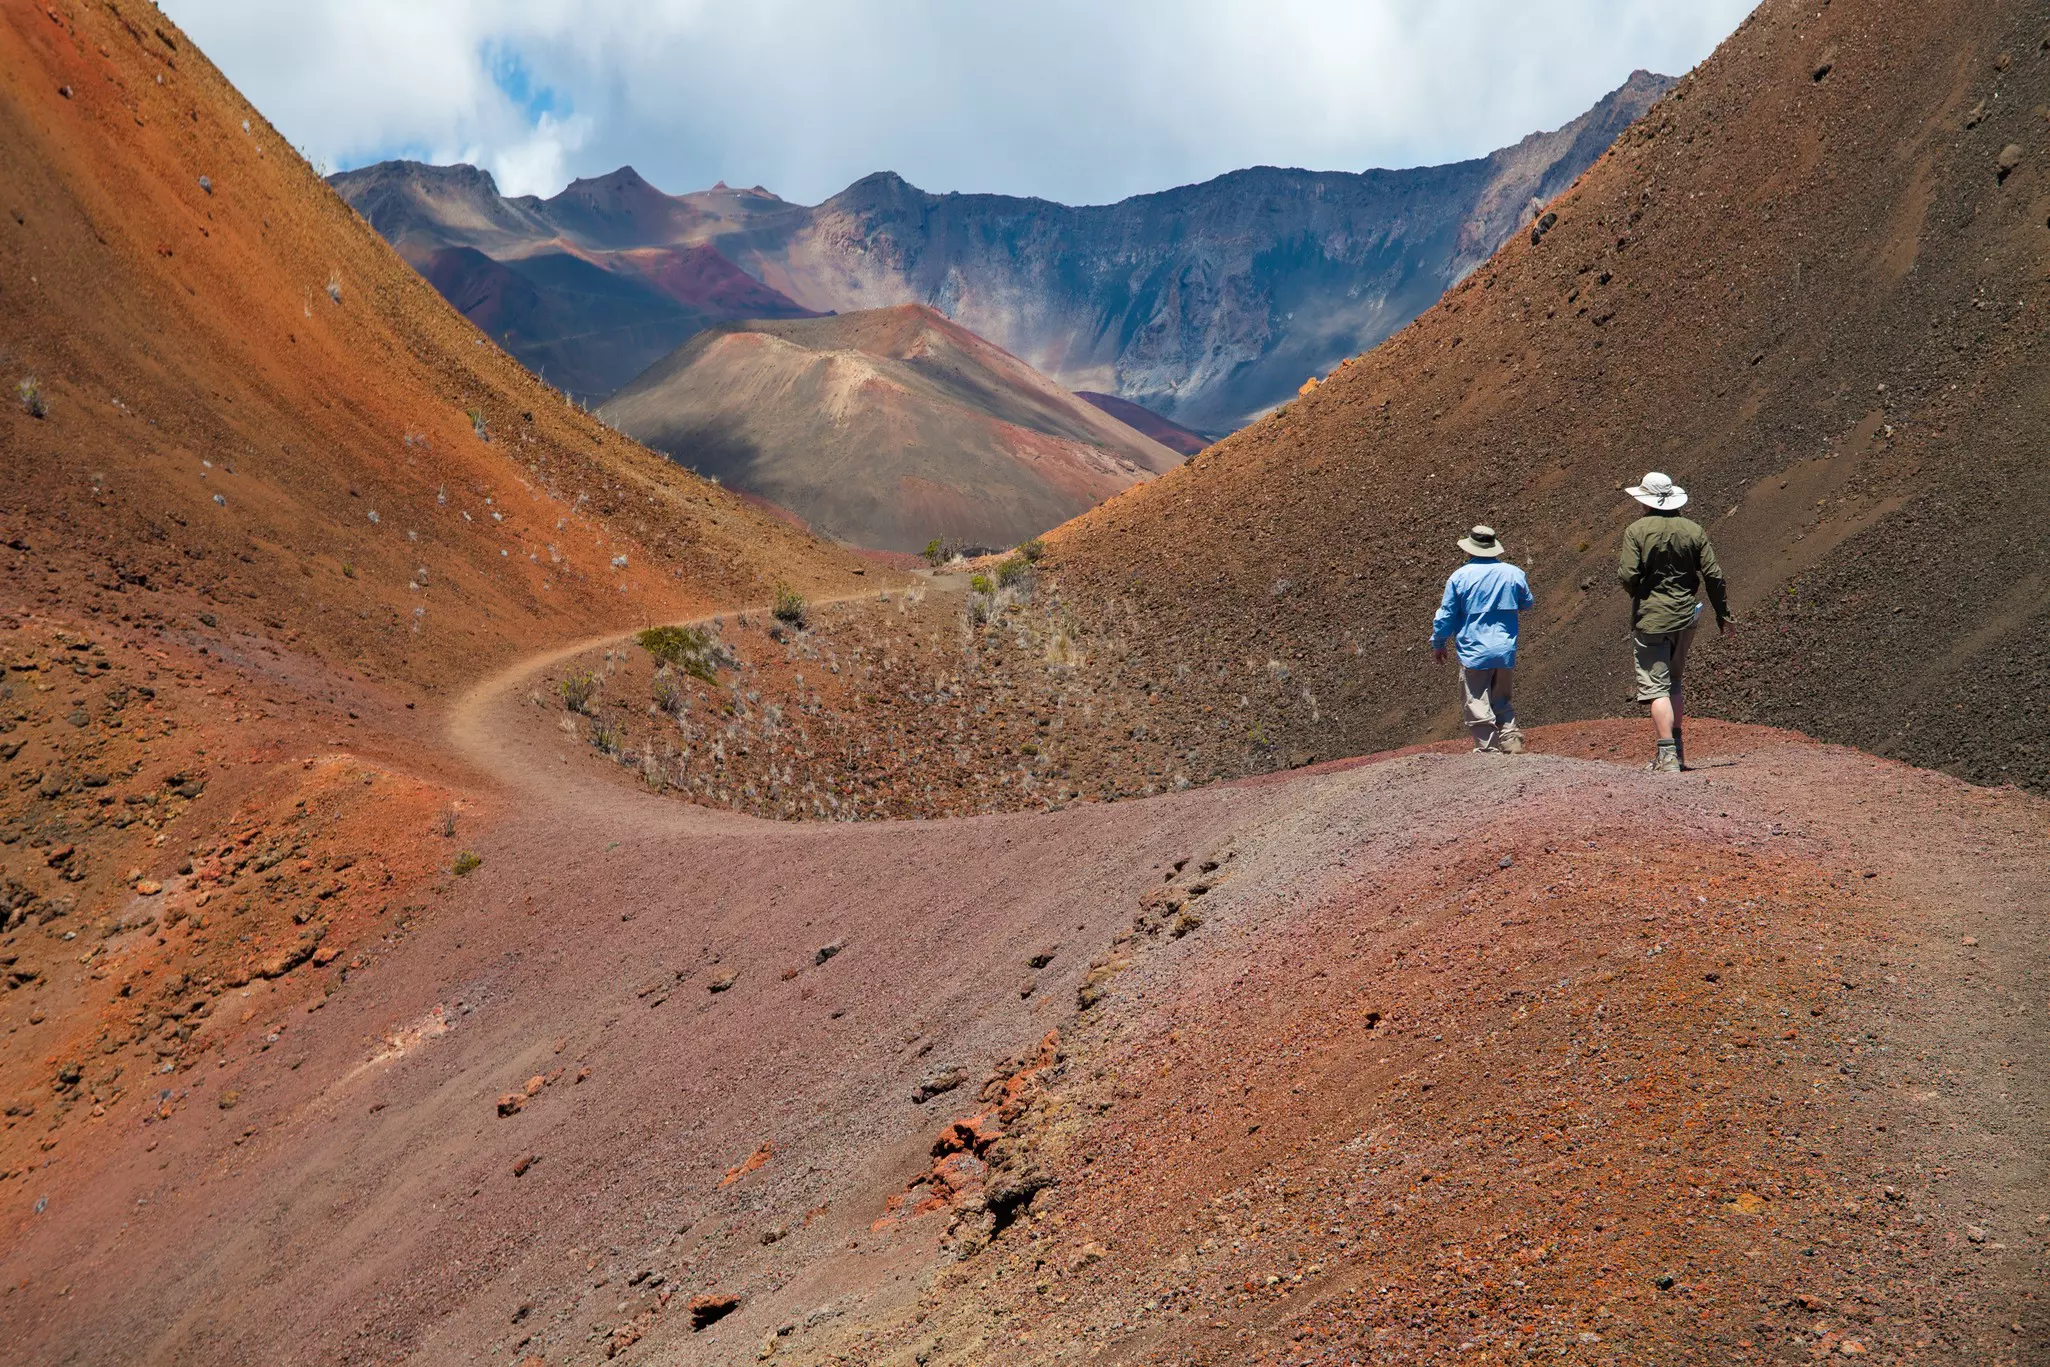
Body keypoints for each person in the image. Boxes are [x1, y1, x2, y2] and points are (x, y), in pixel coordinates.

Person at [1617, 472, 1734, 773]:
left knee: (1656, 687)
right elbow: (1714, 575)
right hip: (1685, 616)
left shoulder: (1636, 531)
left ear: (1645, 501)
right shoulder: (1694, 530)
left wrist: (1641, 591)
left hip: (1652, 619)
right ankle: (1678, 752)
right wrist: (1723, 614)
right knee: (1674, 682)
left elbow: (1628, 574)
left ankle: (1667, 756)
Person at [1431, 525, 1534, 754]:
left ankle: (1488, 751)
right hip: (1505, 648)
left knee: (1477, 701)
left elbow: (1445, 616)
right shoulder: (1513, 573)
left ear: (1470, 550)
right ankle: (1511, 740)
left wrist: (1439, 643)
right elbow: (1527, 602)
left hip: (1474, 651)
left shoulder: (1460, 577)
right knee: (1501, 698)